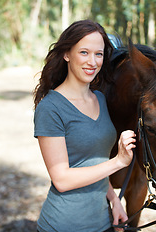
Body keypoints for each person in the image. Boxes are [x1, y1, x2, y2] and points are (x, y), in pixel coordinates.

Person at [34, 20, 136, 232]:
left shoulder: (99, 99)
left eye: (98, 54)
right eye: (84, 52)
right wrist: (118, 162)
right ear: (66, 54)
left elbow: (93, 160)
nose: (92, 61)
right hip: (63, 225)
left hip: (103, 223)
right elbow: (61, 179)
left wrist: (115, 201)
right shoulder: (50, 108)